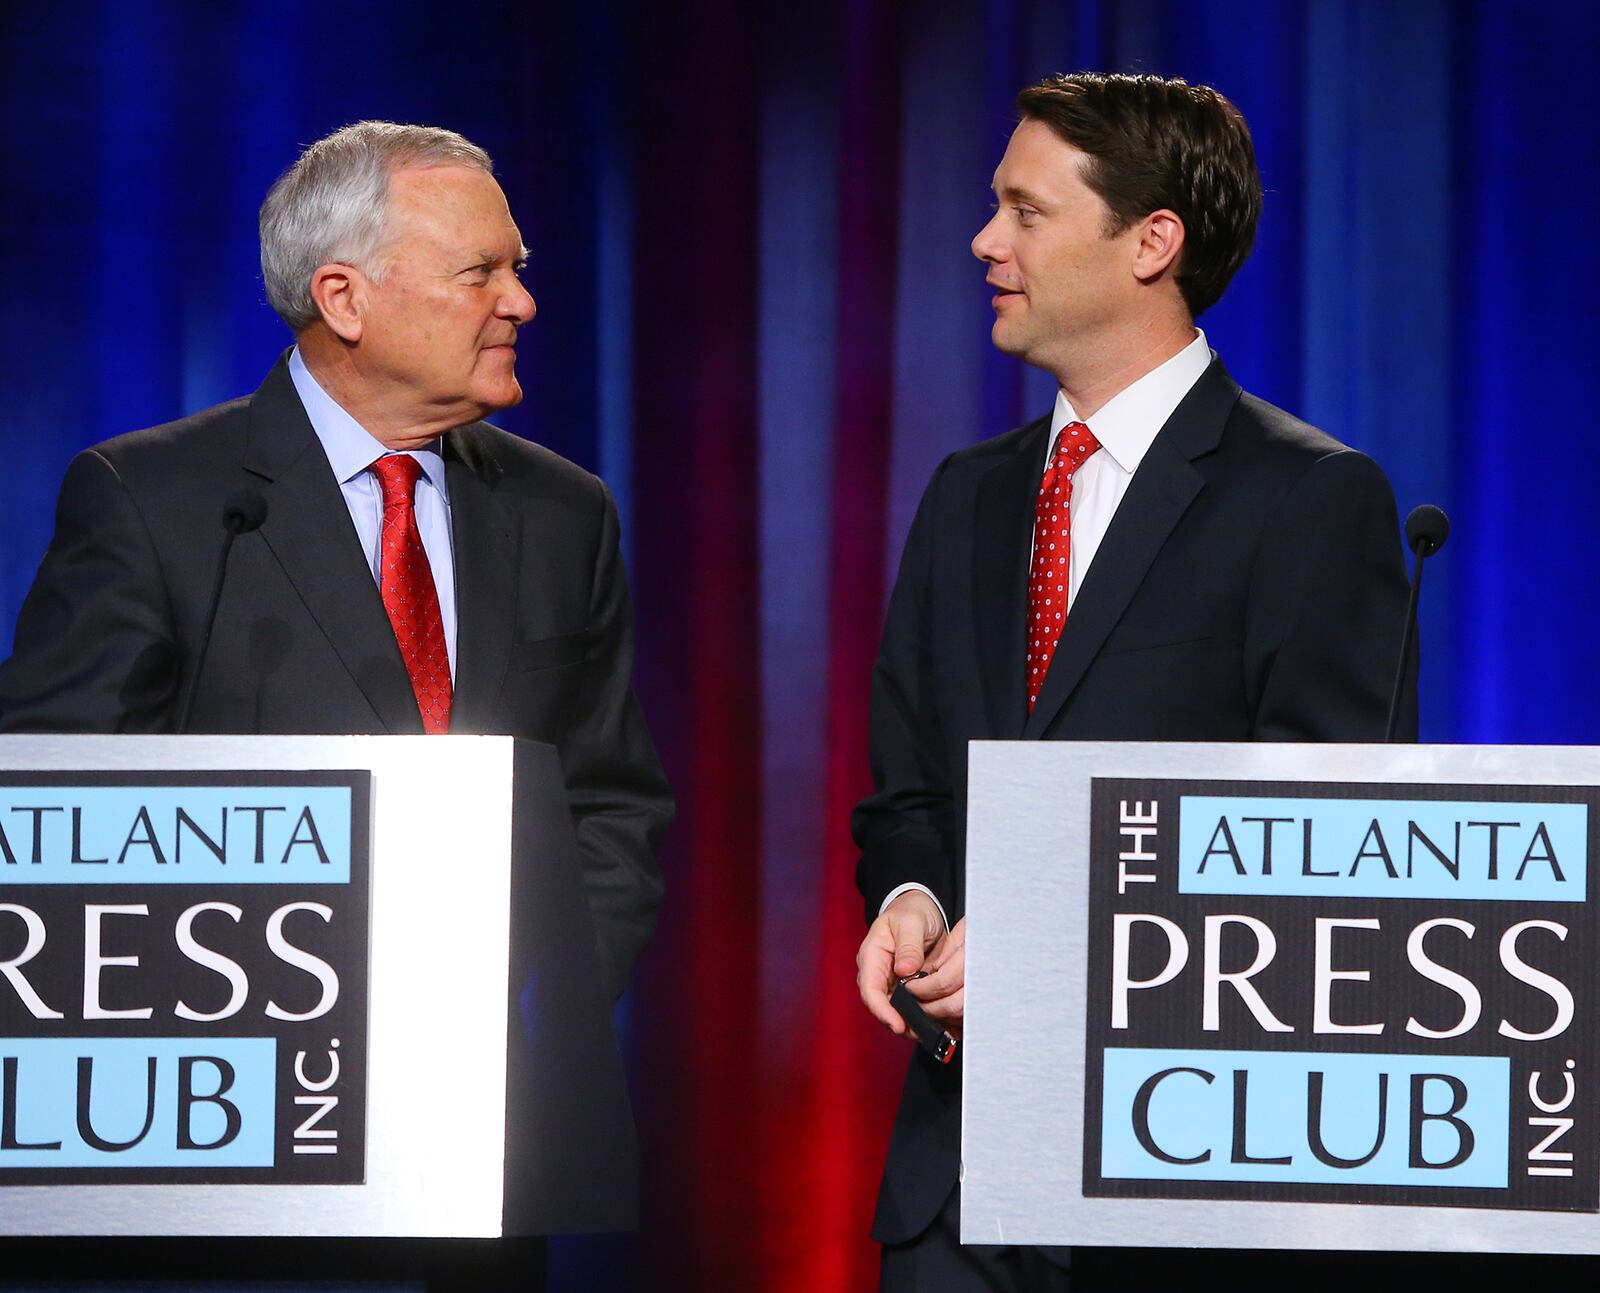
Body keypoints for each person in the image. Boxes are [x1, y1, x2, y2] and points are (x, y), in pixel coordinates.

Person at [852, 73, 1414, 1291]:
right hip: (958, 1184)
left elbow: (1316, 856)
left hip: (1179, 1189)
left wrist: (1052, 947)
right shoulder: (967, 496)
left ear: (1152, 240)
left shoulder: (1310, 499)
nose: (984, 240)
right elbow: (907, 789)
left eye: (1026, 211)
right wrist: (909, 899)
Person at [0, 121, 672, 1005]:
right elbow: (54, 803)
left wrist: (542, 1005)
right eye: (480, 274)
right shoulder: (154, 498)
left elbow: (610, 805)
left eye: (518, 268)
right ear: (344, 299)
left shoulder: (562, 509)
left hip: (504, 1065)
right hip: (242, 1056)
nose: (521, 303)